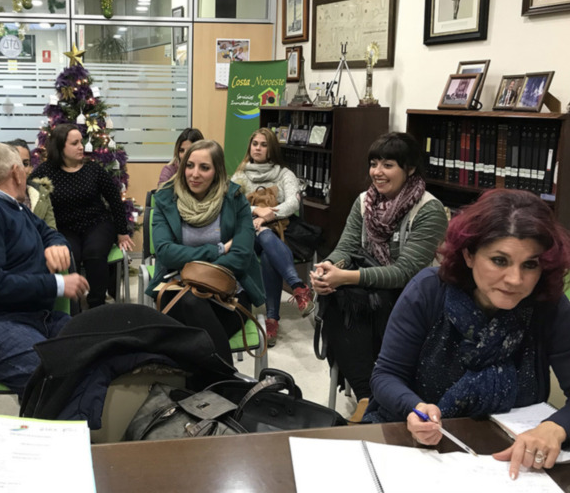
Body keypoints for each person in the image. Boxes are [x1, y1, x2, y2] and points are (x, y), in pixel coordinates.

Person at [365, 189, 570, 480]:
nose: (515, 279)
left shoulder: (549, 306)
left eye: (530, 265)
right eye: (500, 260)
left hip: (511, 464)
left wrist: (556, 426)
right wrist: (416, 407)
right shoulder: (429, 291)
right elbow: (385, 375)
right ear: (469, 255)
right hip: (414, 449)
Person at [310, 132, 448, 421]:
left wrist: (346, 277)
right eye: (374, 164)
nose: (377, 172)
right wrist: (327, 268)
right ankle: (367, 394)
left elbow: (405, 271)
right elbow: (346, 247)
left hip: (413, 297)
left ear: (409, 168)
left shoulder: (429, 209)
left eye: (388, 165)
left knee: (345, 298)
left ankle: (373, 392)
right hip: (372, 293)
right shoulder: (365, 201)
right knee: (336, 298)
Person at [0, 143, 89, 396]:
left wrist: (55, 245)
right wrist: (57, 285)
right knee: (54, 381)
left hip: (31, 316)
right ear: (16, 172)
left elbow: (49, 233)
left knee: (92, 356)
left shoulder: (15, 207)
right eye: (24, 167)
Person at [146, 139, 265, 365]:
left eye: (204, 167)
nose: (194, 174)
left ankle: (209, 387)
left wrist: (190, 262)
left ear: (217, 171)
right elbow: (165, 253)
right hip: (176, 289)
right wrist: (217, 250)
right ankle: (228, 383)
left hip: (229, 291)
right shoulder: (166, 199)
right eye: (189, 165)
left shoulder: (235, 199)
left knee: (189, 334)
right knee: (191, 303)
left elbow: (240, 257)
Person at [33, 124, 133, 308]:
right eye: (75, 143)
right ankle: (73, 308)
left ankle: (97, 304)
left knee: (94, 253)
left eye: (81, 141)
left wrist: (122, 231)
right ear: (60, 147)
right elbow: (32, 200)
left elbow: (115, 200)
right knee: (69, 256)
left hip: (97, 223)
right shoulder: (44, 172)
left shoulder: (92, 169)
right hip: (64, 226)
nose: (82, 147)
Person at [231, 128, 313, 346]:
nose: (257, 148)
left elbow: (293, 203)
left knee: (268, 253)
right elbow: (231, 205)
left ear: (272, 149)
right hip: (247, 233)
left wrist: (269, 215)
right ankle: (298, 287)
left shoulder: (284, 174)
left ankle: (272, 319)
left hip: (279, 231)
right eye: (255, 143)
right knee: (262, 233)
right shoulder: (240, 175)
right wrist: (256, 212)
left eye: (263, 144)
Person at [6, 138, 56, 229]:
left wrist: (55, 242)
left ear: (30, 168)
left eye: (25, 164)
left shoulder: (42, 193)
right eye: (15, 163)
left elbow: (51, 230)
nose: (21, 168)